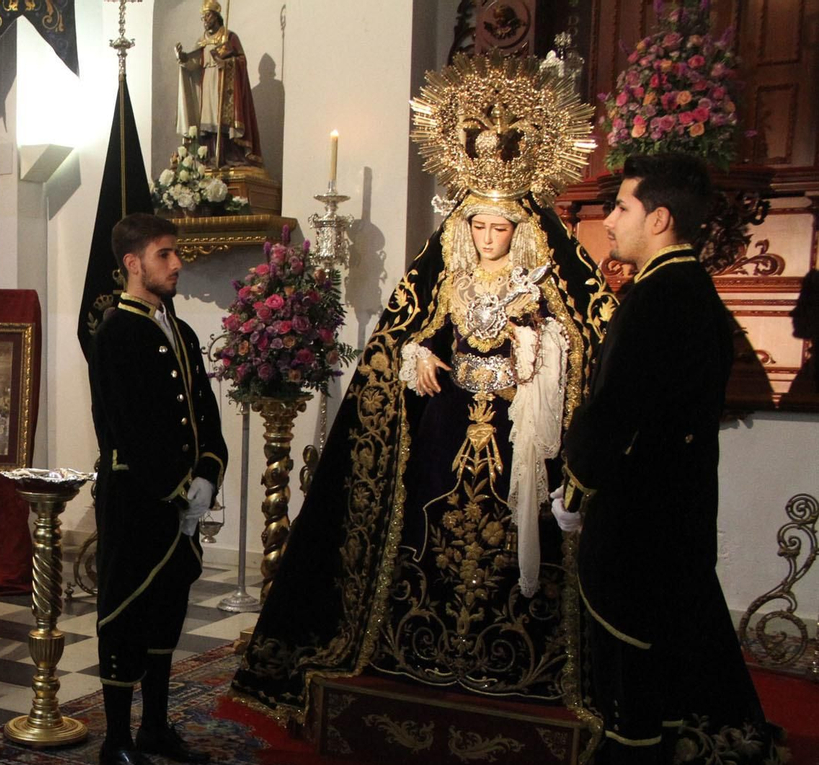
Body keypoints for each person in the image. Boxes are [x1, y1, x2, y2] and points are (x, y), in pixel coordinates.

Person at [234, 57, 614, 722]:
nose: (487, 237)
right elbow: (409, 332)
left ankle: (517, 655)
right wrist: (414, 354)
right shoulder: (448, 276)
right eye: (478, 226)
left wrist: (537, 346)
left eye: (499, 227)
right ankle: (420, 642)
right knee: (432, 525)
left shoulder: (540, 280)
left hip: (516, 431)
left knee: (511, 534)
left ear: (520, 229)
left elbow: (581, 342)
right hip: (445, 427)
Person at [560, 153, 793, 765]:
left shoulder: (656, 298)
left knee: (632, 681)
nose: (611, 221)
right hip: (677, 518)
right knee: (651, 679)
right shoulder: (695, 292)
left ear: (659, 218)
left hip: (638, 524)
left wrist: (574, 485)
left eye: (623, 208)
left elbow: (616, 411)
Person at [89, 213, 228, 765]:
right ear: (132, 263)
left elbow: (204, 414)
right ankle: (117, 740)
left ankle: (155, 727)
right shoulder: (116, 333)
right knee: (125, 614)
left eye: (176, 253)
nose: (177, 264)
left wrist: (208, 474)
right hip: (137, 500)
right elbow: (125, 426)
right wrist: (175, 488)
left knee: (167, 612)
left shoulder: (181, 331)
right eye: (165, 254)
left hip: (179, 504)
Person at [173, 0, 264, 168]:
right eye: (203, 17)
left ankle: (228, 155)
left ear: (216, 16)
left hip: (225, 83)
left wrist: (227, 64)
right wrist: (183, 58)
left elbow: (241, 61)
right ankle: (209, 157)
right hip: (207, 82)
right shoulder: (202, 41)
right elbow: (195, 63)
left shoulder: (229, 37)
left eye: (207, 16)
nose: (205, 20)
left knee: (222, 119)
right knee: (208, 120)